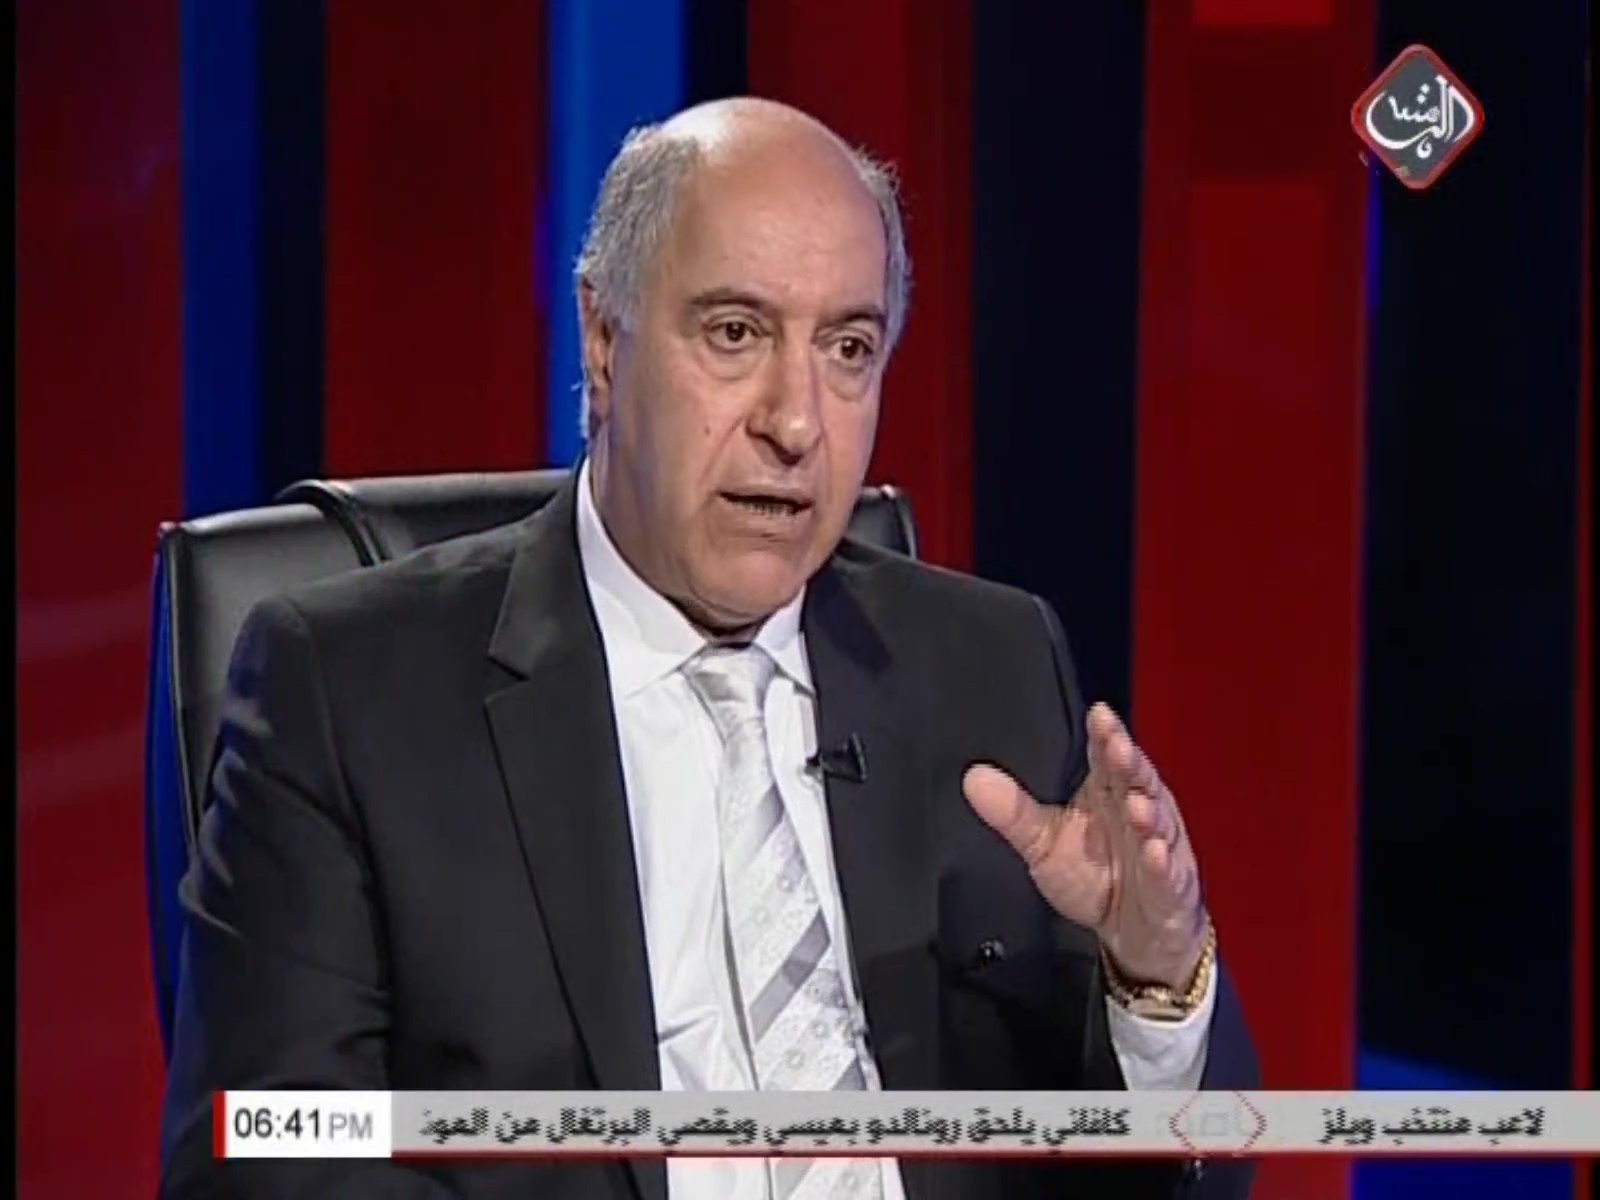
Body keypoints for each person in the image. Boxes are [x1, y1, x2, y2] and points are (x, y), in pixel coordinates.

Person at [160, 97, 1258, 1199]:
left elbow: (1175, 1173)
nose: (796, 422)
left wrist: (1153, 978)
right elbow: (263, 1165)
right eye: (736, 333)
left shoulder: (990, 664)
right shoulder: (349, 693)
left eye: (848, 348)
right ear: (603, 341)